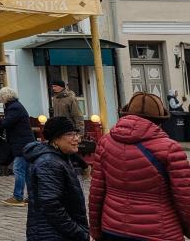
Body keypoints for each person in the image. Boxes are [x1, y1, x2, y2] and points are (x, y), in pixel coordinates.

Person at [89, 92, 190, 241]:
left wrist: (96, 230)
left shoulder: (105, 143)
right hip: (160, 231)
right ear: (159, 120)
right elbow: (184, 199)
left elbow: (96, 192)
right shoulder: (170, 148)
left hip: (112, 229)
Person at [24, 116, 89, 241]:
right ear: (56, 139)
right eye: (70, 134)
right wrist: (78, 232)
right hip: (51, 234)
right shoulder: (49, 163)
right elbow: (51, 205)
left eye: (76, 134)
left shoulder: (61, 158)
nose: (76, 139)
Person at [0, 86, 35, 207]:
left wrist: (0, 122)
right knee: (26, 171)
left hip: (21, 144)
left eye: (0, 96)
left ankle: (18, 197)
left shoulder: (14, 108)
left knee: (18, 169)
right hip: (23, 142)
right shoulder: (14, 106)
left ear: (5, 97)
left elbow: (6, 123)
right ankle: (32, 197)